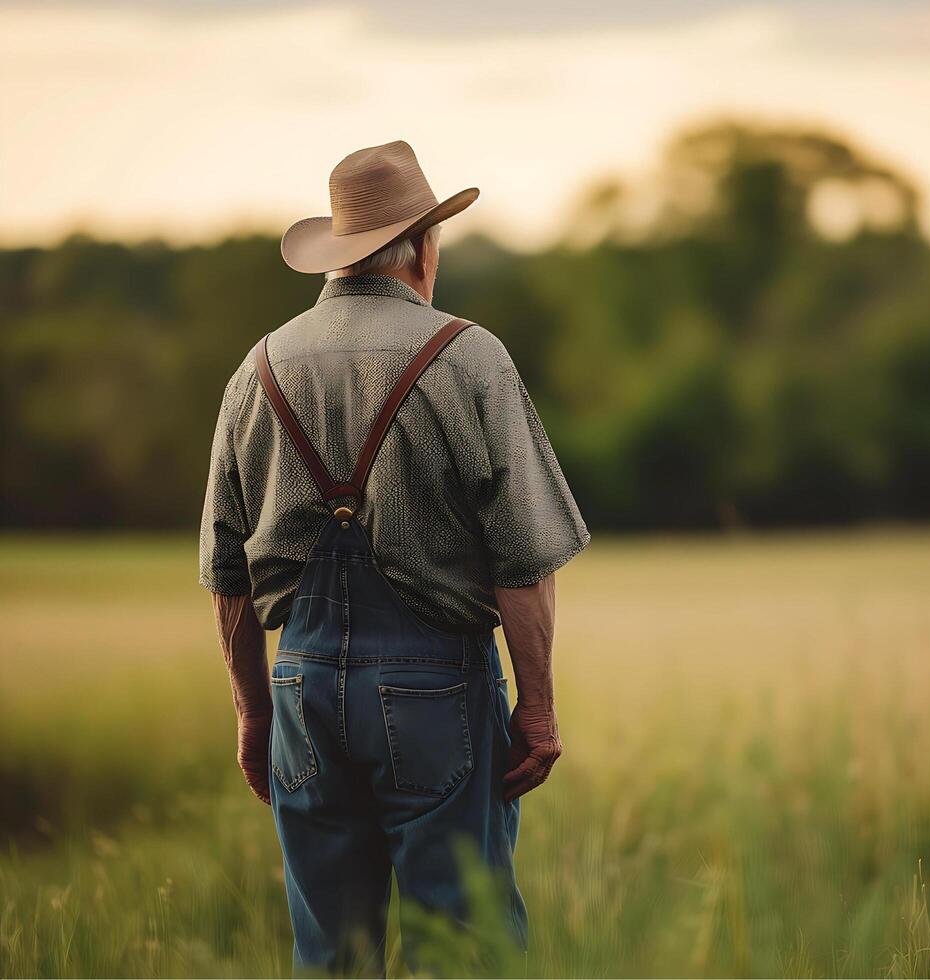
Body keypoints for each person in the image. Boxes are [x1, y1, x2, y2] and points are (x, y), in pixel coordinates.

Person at [199, 140, 589, 974]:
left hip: (298, 686)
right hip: (434, 686)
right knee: (463, 951)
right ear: (423, 247)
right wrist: (540, 708)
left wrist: (251, 712)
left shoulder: (256, 369)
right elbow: (523, 561)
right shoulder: (470, 356)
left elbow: (227, 579)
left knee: (331, 954)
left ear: (339, 254)